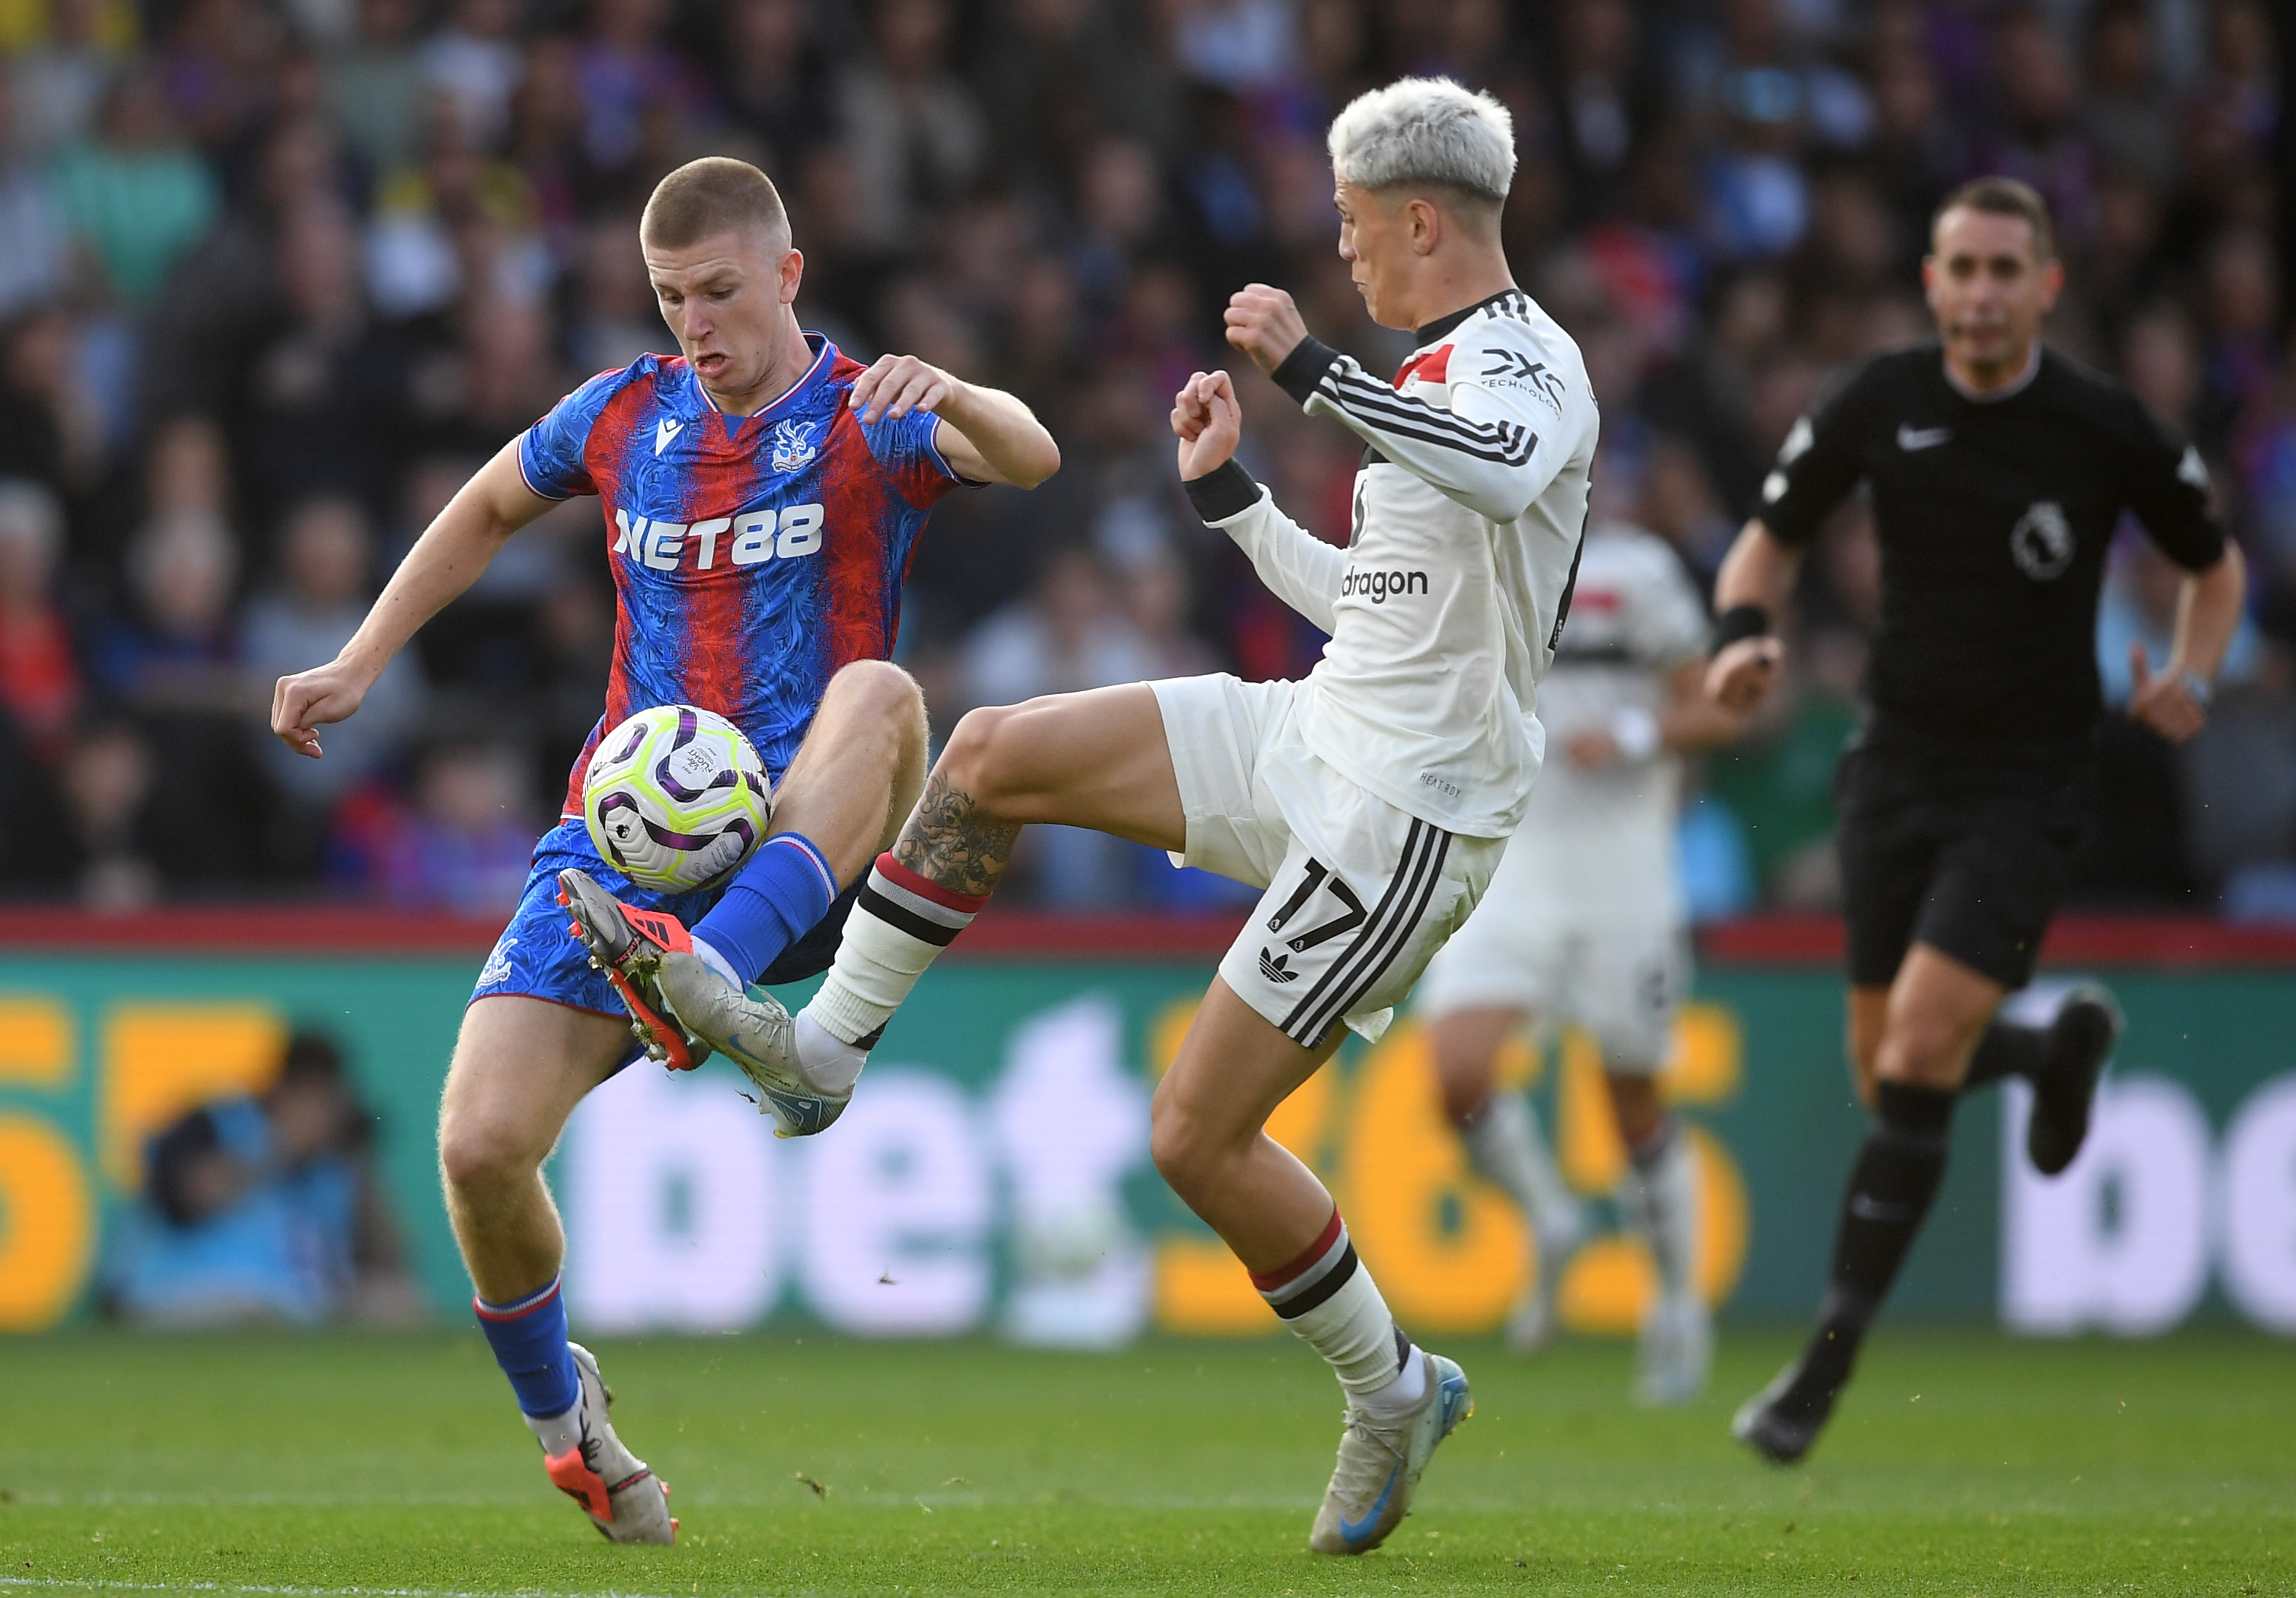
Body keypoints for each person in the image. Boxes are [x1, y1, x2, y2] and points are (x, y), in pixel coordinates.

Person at [565, 78, 1598, 1555]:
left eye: (1356, 225)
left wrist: (1307, 369)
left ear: (1422, 219)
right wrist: (1231, 498)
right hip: (1321, 724)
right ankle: (821, 1056)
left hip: (1411, 806)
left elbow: (1497, 481)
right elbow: (1381, 608)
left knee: (1193, 1133)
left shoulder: (1525, 369)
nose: (1342, 248)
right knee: (985, 752)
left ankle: (1392, 1383)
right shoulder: (1428, 375)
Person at [269, 156, 1059, 1543]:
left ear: (787, 275)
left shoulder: (867, 410)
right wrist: (359, 657)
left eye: (720, 291)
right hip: (627, 839)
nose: (697, 321)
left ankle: (720, 981)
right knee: (477, 1148)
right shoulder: (627, 411)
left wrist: (956, 391)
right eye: (671, 295)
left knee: (882, 692)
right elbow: (488, 505)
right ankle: (569, 1428)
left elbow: (1031, 455)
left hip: (811, 823)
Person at [1706, 177, 2247, 1464]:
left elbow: (2212, 562)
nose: (1983, 290)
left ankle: (1817, 1376)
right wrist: (1739, 638)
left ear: (2045, 285)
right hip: (1892, 765)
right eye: (1962, 266)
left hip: (2028, 780)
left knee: (1915, 1047)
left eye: (2008, 268)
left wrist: (2193, 669)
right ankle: (2050, 1051)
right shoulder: (1877, 401)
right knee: (1883, 1063)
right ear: (1933, 282)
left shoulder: (2100, 424)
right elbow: (1765, 541)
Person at [1413, 513, 1744, 1404]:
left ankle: (1677, 1307)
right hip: (1509, 862)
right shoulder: (1463, 550)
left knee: (1631, 1100)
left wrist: (1636, 738)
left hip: (1621, 871)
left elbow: (1718, 701)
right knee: (1455, 1073)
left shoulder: (1632, 570)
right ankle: (1551, 1217)